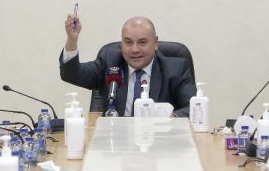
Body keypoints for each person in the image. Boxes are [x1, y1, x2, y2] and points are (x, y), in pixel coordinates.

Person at [59, 15, 196, 117]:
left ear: (155, 43)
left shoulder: (176, 69)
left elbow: (193, 108)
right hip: (116, 142)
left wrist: (169, 119)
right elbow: (72, 74)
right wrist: (72, 40)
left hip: (159, 141)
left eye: (142, 42)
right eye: (128, 42)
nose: (134, 49)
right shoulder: (110, 62)